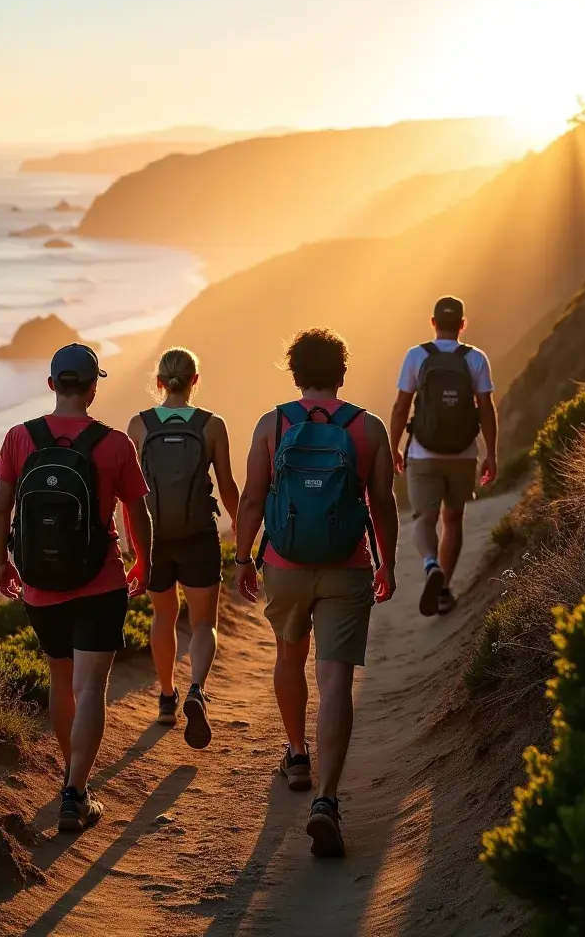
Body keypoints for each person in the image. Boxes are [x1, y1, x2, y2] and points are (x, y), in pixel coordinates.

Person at [235, 328, 398, 858]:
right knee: (335, 679)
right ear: (342, 375)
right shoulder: (367, 427)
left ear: (296, 375)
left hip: (284, 563)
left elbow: (252, 499)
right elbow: (382, 504)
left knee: (288, 654)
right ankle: (326, 800)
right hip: (347, 565)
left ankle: (297, 754)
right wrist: (387, 564)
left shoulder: (273, 423)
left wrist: (242, 558)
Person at [0, 342, 152, 833]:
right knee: (90, 688)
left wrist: (2, 562)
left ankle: (71, 777)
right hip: (99, 582)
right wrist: (144, 560)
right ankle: (77, 790)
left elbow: (0, 509)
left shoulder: (20, 438)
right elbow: (136, 511)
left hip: (40, 586)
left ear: (52, 384)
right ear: (94, 387)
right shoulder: (115, 443)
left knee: (63, 683)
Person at [126, 348, 240, 749]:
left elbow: (131, 495)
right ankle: (196, 689)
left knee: (163, 616)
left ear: (159, 382)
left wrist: (132, 545)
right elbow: (226, 485)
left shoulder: (138, 426)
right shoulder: (212, 425)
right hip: (198, 536)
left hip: (156, 539)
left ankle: (166, 697)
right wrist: (243, 527)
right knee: (203, 622)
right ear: (195, 380)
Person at [389, 295, 498, 617]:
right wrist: (491, 453)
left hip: (424, 451)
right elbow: (487, 410)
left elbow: (400, 407)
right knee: (453, 519)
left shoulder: (416, 356)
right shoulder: (476, 359)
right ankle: (444, 590)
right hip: (463, 453)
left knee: (425, 517)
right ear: (463, 324)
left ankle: (430, 563)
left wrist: (394, 447)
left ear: (433, 323)